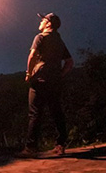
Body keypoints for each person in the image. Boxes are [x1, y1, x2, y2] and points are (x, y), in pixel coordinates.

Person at [21, 12, 74, 157]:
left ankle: (30, 148)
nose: (41, 22)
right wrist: (60, 74)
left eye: (43, 20)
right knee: (56, 112)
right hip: (54, 81)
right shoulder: (59, 40)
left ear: (49, 23)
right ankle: (60, 144)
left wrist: (28, 73)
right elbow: (70, 62)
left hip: (39, 80)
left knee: (35, 113)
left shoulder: (40, 37)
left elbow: (32, 56)